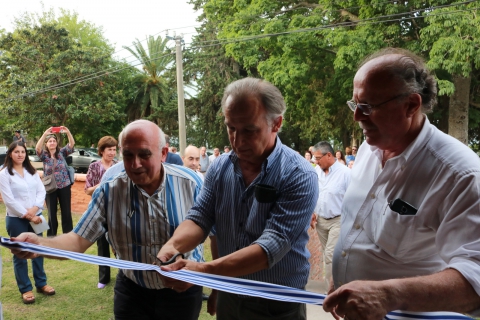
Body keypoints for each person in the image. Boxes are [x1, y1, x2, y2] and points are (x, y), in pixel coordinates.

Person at [322, 48, 480, 318]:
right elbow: (358, 226)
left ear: (411, 105)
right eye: (355, 104)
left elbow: (475, 278)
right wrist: (345, 274)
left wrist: (388, 295)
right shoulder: (367, 150)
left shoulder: (460, 174)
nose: (357, 117)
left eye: (368, 107)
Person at [158, 77, 319, 320]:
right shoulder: (220, 167)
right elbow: (200, 217)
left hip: (276, 304)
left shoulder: (298, 174)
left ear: (276, 123)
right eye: (231, 127)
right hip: (230, 296)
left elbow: (271, 247)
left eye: (249, 130)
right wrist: (172, 247)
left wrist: (203, 272)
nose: (237, 140)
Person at [12, 120, 205, 320]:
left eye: (144, 154)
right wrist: (39, 244)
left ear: (164, 153)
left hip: (183, 293)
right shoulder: (110, 191)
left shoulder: (192, 185)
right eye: (128, 155)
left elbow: (216, 234)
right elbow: (78, 240)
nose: (135, 164)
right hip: (133, 292)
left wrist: (218, 288)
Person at [0, 141, 55, 304]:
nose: (20, 155)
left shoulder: (31, 171)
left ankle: (41, 283)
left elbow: (41, 190)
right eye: (16, 152)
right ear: (10, 154)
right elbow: (9, 200)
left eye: (22, 152)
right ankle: (26, 288)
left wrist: (36, 207)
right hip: (16, 219)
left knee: (37, 251)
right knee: (20, 254)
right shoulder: (4, 174)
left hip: (36, 216)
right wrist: (28, 215)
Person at [311, 142, 350, 291]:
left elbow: (353, 198)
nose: (315, 161)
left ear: (329, 155)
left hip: (338, 220)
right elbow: (314, 194)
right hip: (320, 221)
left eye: (318, 158)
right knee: (326, 253)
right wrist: (312, 212)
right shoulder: (316, 172)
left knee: (330, 253)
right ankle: (335, 285)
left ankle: (333, 290)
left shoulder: (346, 173)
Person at [84, 136, 118, 289]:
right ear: (102, 151)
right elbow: (87, 190)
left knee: (120, 244)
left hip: (117, 211)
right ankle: (104, 278)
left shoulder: (119, 166)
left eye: (114, 149)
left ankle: (126, 274)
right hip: (100, 210)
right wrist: (102, 183)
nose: (112, 152)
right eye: (109, 149)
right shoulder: (94, 167)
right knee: (102, 245)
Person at [36, 126, 75, 236]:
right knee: (51, 214)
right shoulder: (44, 156)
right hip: (49, 187)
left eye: (54, 141)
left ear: (57, 143)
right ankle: (51, 237)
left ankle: (68, 236)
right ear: (46, 144)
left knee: (66, 212)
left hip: (64, 186)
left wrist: (68, 132)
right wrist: (45, 134)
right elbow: (37, 148)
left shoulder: (62, 153)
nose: (52, 143)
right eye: (50, 141)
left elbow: (71, 144)